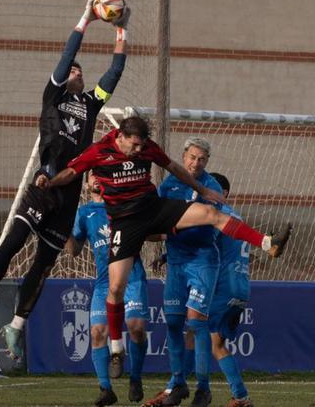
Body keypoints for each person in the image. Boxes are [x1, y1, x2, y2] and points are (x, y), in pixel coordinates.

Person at [41, 116, 292, 388]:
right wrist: (50, 183)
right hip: (125, 222)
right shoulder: (98, 151)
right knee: (115, 288)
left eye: (142, 146)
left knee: (210, 213)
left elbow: (172, 166)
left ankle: (268, 244)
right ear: (121, 136)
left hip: (154, 209)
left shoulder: (148, 147)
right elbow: (71, 172)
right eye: (134, 145)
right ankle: (116, 350)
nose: (139, 151)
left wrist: (202, 188)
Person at [0, 0, 130, 362]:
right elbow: (65, 57)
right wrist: (86, 18)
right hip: (44, 184)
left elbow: (114, 74)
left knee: (44, 263)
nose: (76, 72)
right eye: (72, 70)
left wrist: (122, 31)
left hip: (68, 193)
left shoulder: (91, 104)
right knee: (15, 239)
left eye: (79, 71)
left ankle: (16, 325)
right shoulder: (53, 95)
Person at [143, 138, 224, 407]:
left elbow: (204, 226)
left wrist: (171, 228)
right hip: (177, 263)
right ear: (184, 156)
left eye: (201, 159)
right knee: (174, 324)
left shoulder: (211, 188)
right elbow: (155, 219)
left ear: (207, 161)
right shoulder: (170, 184)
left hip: (202, 261)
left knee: (196, 324)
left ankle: (203, 388)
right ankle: (178, 383)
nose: (195, 163)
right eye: (191, 157)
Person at [69, 173, 148, 405]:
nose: (96, 179)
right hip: (104, 282)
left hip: (131, 278)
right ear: (86, 183)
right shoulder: (84, 213)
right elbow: (73, 251)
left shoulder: (123, 205)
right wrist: (63, 231)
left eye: (101, 175)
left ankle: (135, 378)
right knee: (96, 333)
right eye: (92, 175)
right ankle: (106, 388)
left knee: (136, 328)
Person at [208, 173, 254, 407]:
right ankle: (240, 396)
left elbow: (204, 245)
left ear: (223, 193)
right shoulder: (238, 218)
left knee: (193, 335)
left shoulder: (220, 218)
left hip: (224, 287)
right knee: (216, 344)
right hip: (241, 288)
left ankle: (178, 389)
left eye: (209, 187)